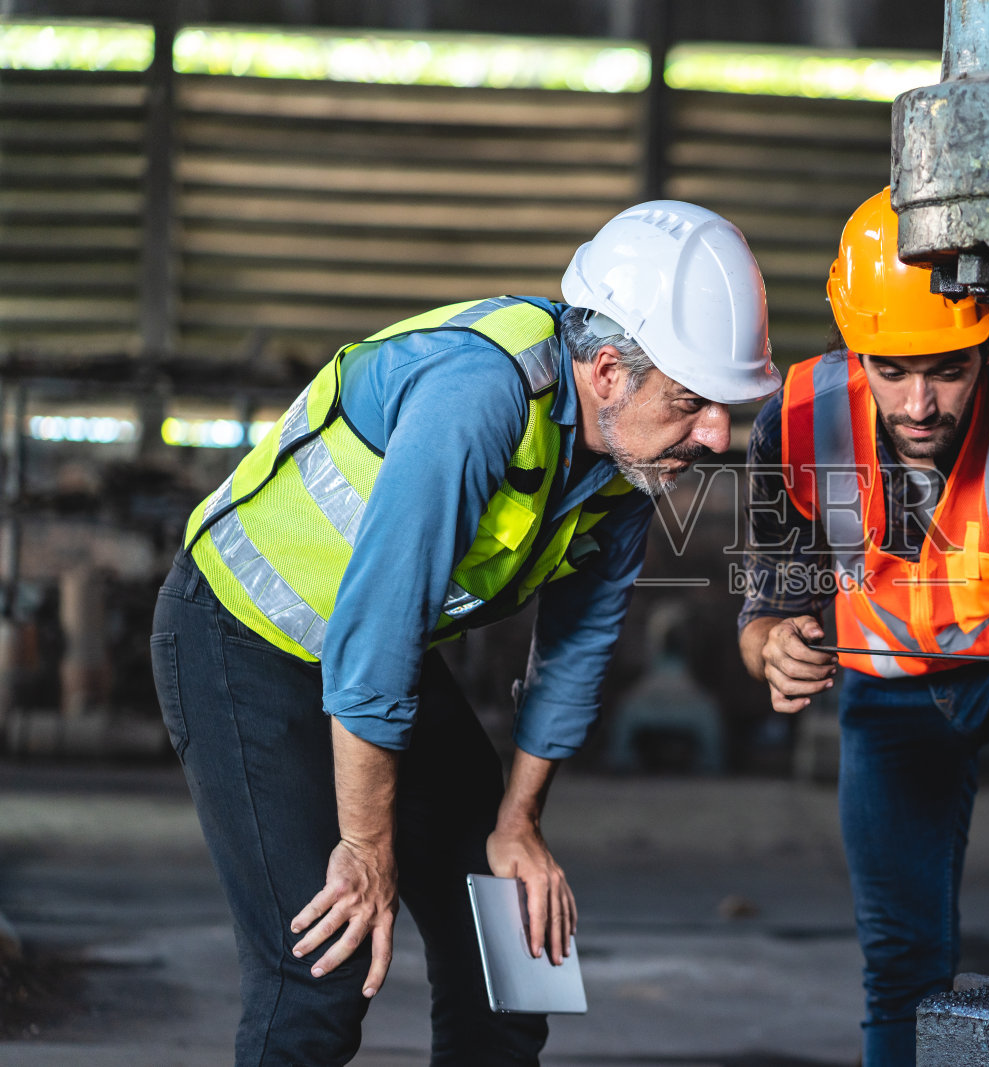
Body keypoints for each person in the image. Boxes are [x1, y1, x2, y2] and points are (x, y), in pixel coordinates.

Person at [151, 200, 779, 1066]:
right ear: (605, 372)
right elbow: (377, 638)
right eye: (692, 402)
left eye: (723, 406)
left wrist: (517, 821)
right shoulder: (475, 397)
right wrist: (367, 848)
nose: (715, 433)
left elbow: (578, 649)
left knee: (514, 957)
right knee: (323, 969)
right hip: (238, 641)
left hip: (374, 656)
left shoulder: (633, 464)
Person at [736, 188, 989, 1067]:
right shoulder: (796, 415)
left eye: (948, 368)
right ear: (856, 347)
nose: (921, 403)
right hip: (886, 684)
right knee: (901, 964)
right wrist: (773, 648)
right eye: (893, 370)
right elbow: (766, 609)